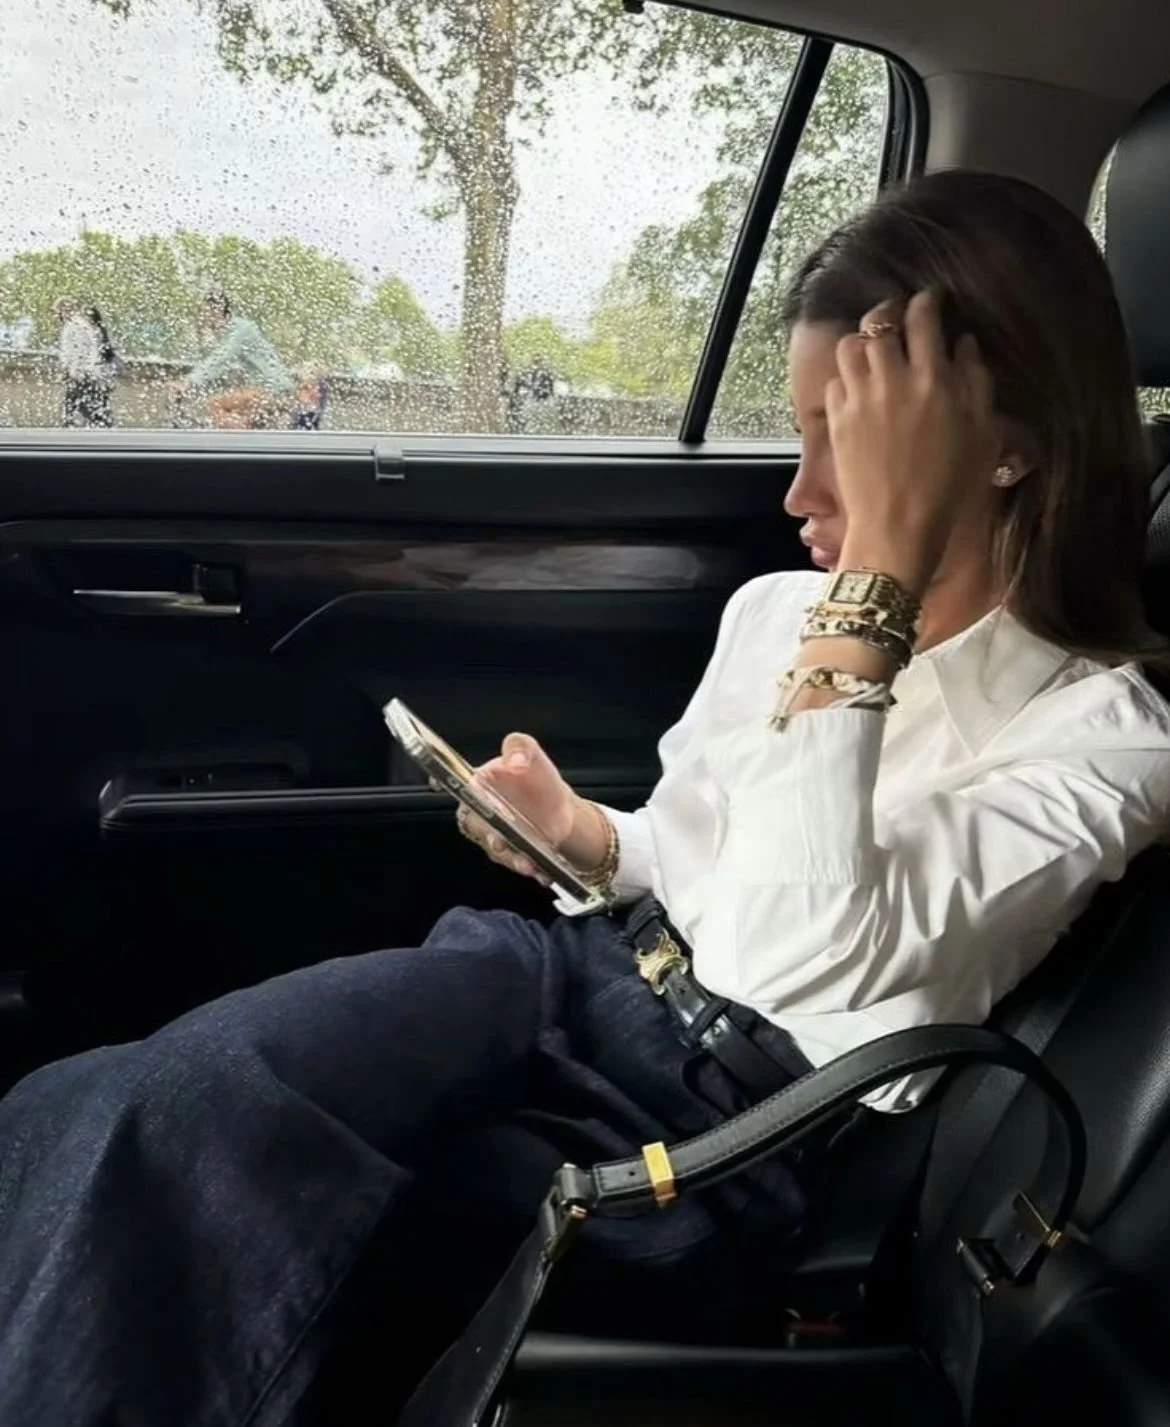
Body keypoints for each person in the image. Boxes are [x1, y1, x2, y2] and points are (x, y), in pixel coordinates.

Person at [4, 170, 1170, 1425]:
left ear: (1007, 447)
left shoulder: (1111, 737)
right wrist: (596, 843)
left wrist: (876, 586)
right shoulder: (772, 610)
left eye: (860, 447)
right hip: (563, 973)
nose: (801, 494)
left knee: (286, 1220)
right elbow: (703, 846)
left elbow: (797, 936)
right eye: (801, 432)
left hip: (738, 1126)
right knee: (133, 1100)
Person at [170, 289, 293, 429]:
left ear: (216, 311)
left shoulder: (241, 330)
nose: (202, 317)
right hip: (272, 389)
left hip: (273, 390)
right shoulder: (231, 331)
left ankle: (242, 441)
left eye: (205, 312)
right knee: (236, 412)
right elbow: (218, 363)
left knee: (215, 404)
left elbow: (221, 358)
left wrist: (189, 382)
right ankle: (245, 434)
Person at [55, 298, 118, 428]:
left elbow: (76, 353)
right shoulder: (85, 325)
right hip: (89, 375)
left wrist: (69, 371)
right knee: (90, 408)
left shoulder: (73, 326)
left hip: (82, 376)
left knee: (78, 409)